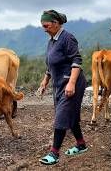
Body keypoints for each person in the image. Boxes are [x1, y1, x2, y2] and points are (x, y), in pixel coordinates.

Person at [38, 9, 88, 165]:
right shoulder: (52, 40)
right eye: (42, 26)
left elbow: (76, 61)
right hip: (59, 84)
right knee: (70, 114)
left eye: (46, 25)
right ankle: (81, 145)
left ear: (55, 23)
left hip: (71, 83)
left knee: (61, 117)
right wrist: (45, 80)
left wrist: (71, 83)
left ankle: (54, 153)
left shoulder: (67, 38)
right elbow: (52, 63)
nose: (44, 29)